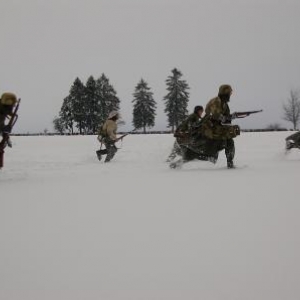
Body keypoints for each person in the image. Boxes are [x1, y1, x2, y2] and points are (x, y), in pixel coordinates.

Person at [201, 84, 239, 168]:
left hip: (217, 127)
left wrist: (232, 116)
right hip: (208, 127)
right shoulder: (216, 101)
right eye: (229, 93)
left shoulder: (224, 104)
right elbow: (215, 115)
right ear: (224, 93)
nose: (230, 95)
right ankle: (216, 158)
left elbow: (226, 118)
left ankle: (230, 162)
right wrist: (226, 118)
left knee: (229, 140)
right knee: (227, 139)